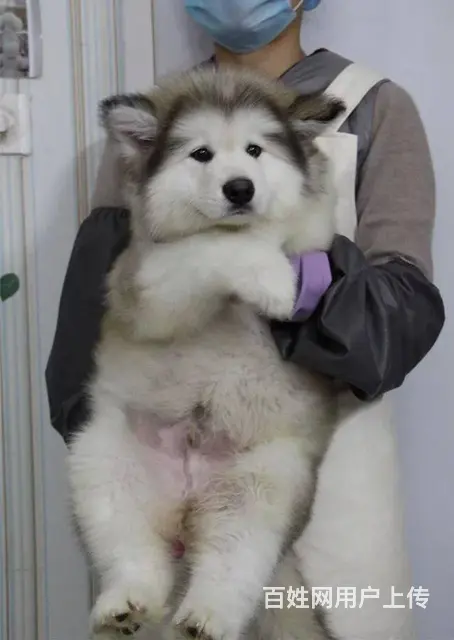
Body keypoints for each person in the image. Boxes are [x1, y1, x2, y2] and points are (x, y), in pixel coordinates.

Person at [45, 1, 444, 638]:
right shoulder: (156, 119)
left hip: (329, 471)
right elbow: (89, 324)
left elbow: (400, 318)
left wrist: (309, 289)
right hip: (166, 453)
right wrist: (140, 483)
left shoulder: (375, 107)